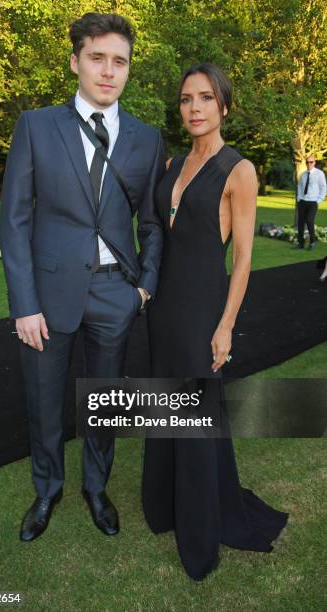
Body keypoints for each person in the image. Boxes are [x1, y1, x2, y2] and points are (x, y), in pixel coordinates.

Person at [0, 12, 165, 543]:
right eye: (97, 58)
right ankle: (47, 491)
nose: (108, 71)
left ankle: (97, 488)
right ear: (75, 62)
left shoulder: (146, 139)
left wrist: (144, 287)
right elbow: (16, 219)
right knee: (44, 403)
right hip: (46, 296)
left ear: (128, 70)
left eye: (120, 61)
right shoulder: (36, 125)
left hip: (116, 293)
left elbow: (153, 223)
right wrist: (24, 303)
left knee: (105, 402)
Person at [142, 63, 288, 580]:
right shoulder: (173, 161)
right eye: (186, 99)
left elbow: (244, 259)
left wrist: (225, 325)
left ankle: (201, 537)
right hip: (162, 309)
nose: (195, 108)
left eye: (205, 98)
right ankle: (163, 507)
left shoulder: (239, 169)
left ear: (224, 105)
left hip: (203, 311)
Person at [295, 155, 326, 250]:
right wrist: (299, 198)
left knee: (309, 221)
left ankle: (312, 242)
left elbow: (324, 188)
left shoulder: (319, 174)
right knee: (300, 223)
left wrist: (319, 200)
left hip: (313, 202)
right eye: (307, 162)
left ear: (314, 162)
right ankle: (300, 243)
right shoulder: (303, 174)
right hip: (303, 201)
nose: (309, 164)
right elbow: (300, 187)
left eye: (311, 162)